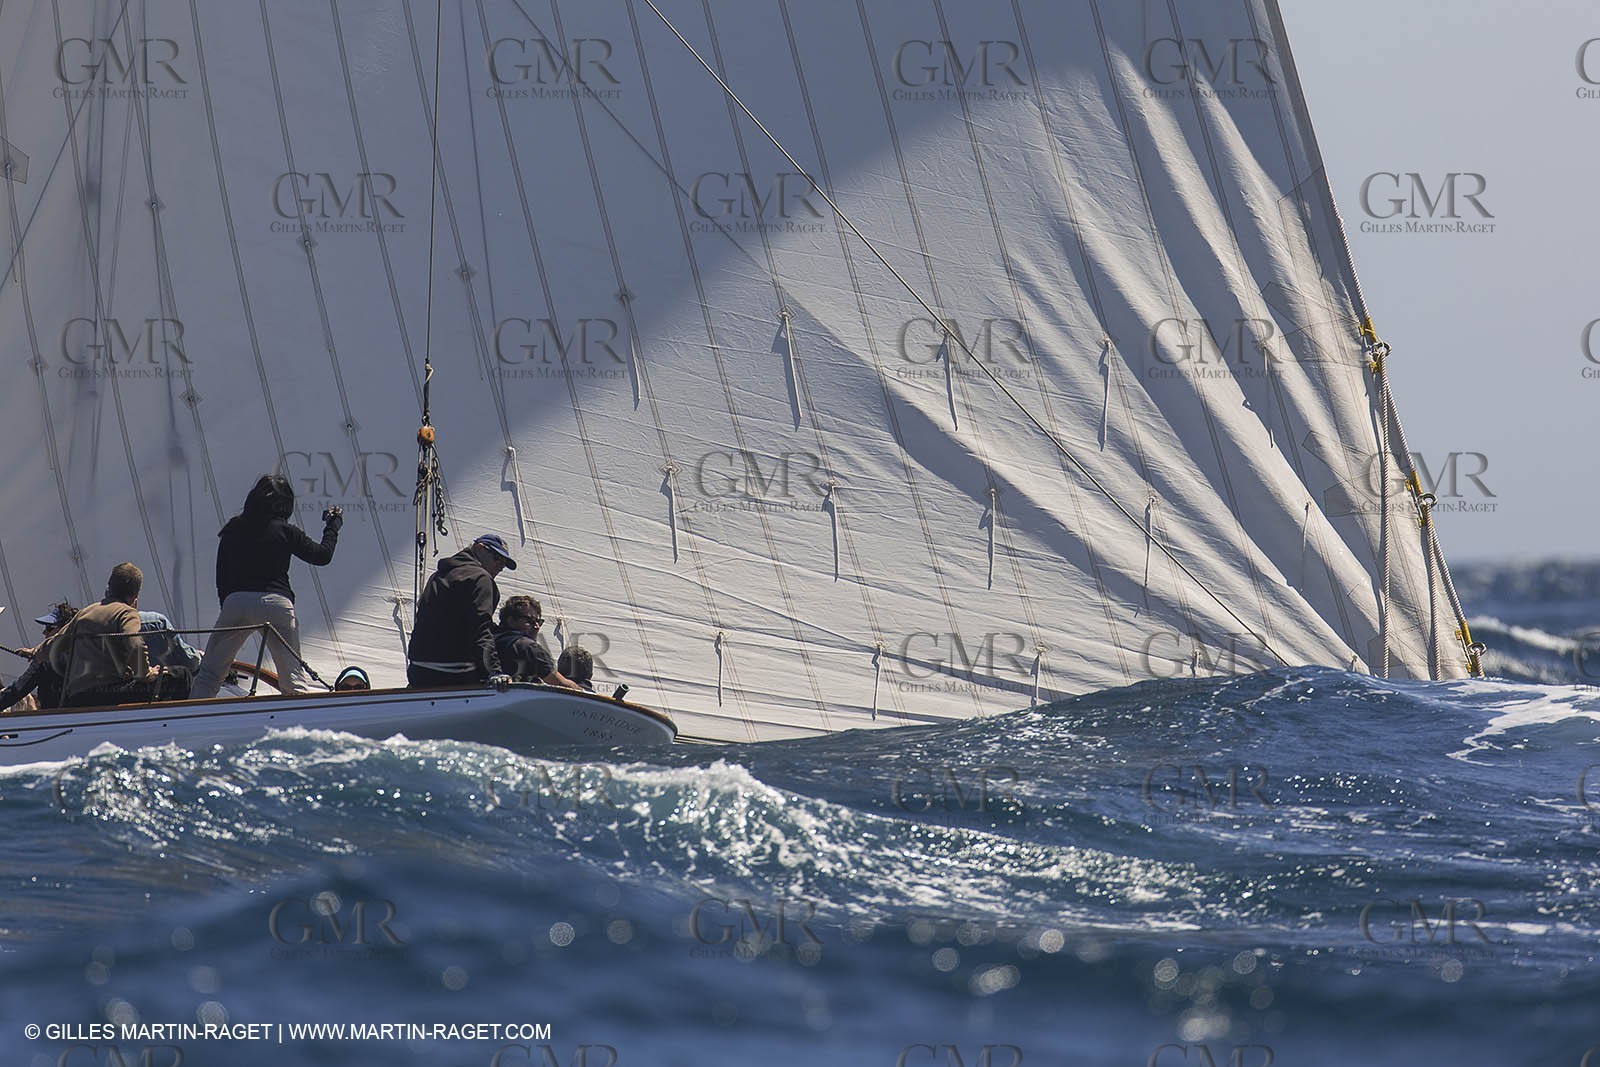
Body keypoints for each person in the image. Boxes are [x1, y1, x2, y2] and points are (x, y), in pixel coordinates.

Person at [189, 475, 340, 699]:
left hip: (236, 603)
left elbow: (221, 576)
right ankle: (300, 723)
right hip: (276, 603)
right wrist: (332, 527)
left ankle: (191, 720)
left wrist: (229, 609)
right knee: (293, 680)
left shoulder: (232, 529)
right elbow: (322, 556)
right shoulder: (286, 530)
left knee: (210, 674)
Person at [407, 534, 519, 690]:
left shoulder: (437, 576)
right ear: (479, 548)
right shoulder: (481, 579)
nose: (500, 566)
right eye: (497, 559)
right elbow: (480, 628)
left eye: (504, 563)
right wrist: (494, 671)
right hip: (453, 674)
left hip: (418, 671)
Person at [48, 564, 160, 707]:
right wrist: (146, 674)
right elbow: (135, 645)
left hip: (77, 696)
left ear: (109, 587)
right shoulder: (126, 612)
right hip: (109, 694)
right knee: (181, 677)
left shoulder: (85, 612)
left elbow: (56, 643)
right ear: (134, 596)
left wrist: (33, 652)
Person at [0, 601, 76, 712]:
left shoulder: (44, 661)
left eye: (49, 628)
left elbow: (17, 690)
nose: (44, 632)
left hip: (54, 720)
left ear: (63, 630)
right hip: (93, 717)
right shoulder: (88, 654)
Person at [494, 596, 581, 690]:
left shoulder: (488, 640)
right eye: (530, 621)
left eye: (539, 621)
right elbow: (561, 684)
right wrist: (585, 693)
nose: (537, 626)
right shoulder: (528, 647)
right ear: (510, 620)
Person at [139, 610, 203, 701]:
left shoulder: (112, 625)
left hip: (122, 695)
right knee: (183, 673)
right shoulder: (157, 621)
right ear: (135, 600)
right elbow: (188, 661)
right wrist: (201, 657)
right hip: (160, 695)